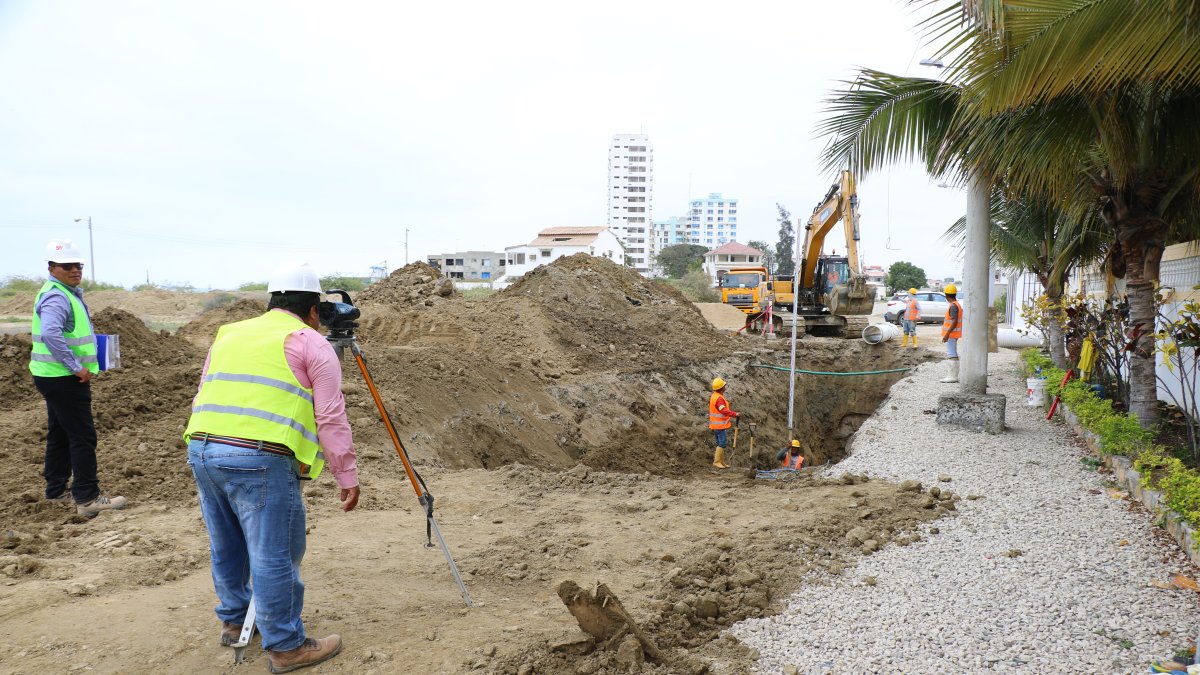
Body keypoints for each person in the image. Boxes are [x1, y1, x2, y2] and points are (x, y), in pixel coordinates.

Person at [184, 262, 360, 673]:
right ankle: (286, 646)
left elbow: (203, 389)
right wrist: (346, 474)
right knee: (275, 553)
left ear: (271, 301)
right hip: (259, 458)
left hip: (203, 449)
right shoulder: (310, 343)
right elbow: (331, 417)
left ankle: (233, 620)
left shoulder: (230, 332)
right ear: (315, 310)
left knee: (227, 544)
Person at [29, 239, 126, 518]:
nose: (75, 270)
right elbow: (50, 333)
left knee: (60, 432)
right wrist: (75, 366)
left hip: (52, 375)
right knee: (83, 436)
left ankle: (57, 490)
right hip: (63, 377)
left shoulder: (63, 291)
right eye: (67, 266)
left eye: (78, 265)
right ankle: (88, 498)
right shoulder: (57, 296)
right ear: (52, 268)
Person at [708, 377, 739, 469]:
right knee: (722, 443)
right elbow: (724, 411)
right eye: (724, 386)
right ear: (721, 388)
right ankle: (717, 462)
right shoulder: (719, 399)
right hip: (719, 425)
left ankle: (721, 462)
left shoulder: (715, 396)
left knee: (720, 443)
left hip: (717, 425)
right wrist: (735, 414)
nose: (725, 387)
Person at [940, 283, 963, 383]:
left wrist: (947, 334)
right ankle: (953, 376)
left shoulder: (953, 306)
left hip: (952, 334)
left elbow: (954, 322)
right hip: (953, 334)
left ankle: (952, 377)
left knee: (951, 353)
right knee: (952, 353)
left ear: (946, 295)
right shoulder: (956, 305)